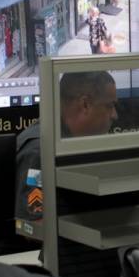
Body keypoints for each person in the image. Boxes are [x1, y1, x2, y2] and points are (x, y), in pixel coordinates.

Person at [15, 71, 118, 221]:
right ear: (85, 105)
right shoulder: (40, 152)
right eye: (110, 106)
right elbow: (34, 225)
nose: (115, 115)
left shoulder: (75, 142)